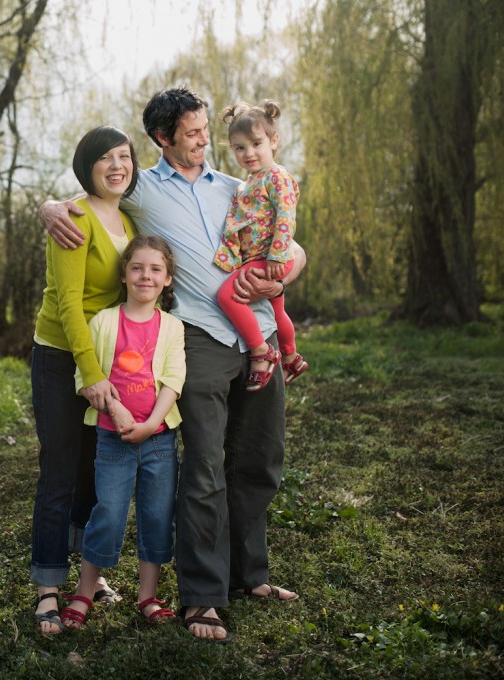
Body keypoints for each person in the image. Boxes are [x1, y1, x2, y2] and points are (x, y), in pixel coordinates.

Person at [40, 88, 305, 643]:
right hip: (203, 340)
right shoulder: (142, 190)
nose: (204, 140)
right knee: (205, 467)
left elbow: (291, 245)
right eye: (191, 132)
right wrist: (50, 206)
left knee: (259, 461)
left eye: (206, 129)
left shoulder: (239, 186)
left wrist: (288, 271)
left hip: (255, 333)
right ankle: (203, 599)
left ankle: (248, 577)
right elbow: (95, 193)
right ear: (163, 138)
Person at [30, 125, 140, 635]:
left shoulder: (131, 222)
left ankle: (87, 578)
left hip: (107, 361)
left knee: (96, 474)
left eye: (125, 156)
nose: (117, 166)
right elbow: (70, 305)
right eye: (105, 158)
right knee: (60, 470)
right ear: (87, 166)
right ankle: (48, 589)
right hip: (61, 358)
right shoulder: (74, 217)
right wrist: (89, 374)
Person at [58, 236, 186, 629]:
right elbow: (87, 376)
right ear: (124, 275)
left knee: (157, 514)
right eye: (137, 267)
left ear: (167, 280)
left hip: (160, 440)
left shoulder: (173, 326)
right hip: (112, 438)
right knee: (108, 512)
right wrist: (115, 409)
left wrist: (151, 425)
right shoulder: (104, 322)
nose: (145, 275)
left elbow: (174, 380)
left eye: (155, 269)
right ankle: (84, 591)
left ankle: (148, 595)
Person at [214, 100, 308, 391]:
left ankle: (261, 351)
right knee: (277, 311)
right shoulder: (249, 182)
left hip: (271, 257)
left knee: (228, 296)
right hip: (260, 257)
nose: (249, 153)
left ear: (273, 140)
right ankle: (291, 355)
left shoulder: (276, 176)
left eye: (256, 143)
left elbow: (285, 216)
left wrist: (278, 255)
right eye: (240, 148)